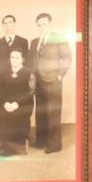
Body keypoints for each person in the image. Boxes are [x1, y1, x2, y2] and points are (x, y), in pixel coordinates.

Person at [30, 12, 71, 154]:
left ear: (50, 23)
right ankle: (41, 141)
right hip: (38, 82)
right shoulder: (35, 41)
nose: (42, 27)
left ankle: (55, 144)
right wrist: (32, 77)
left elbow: (67, 58)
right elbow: (31, 61)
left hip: (53, 81)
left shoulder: (58, 38)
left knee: (52, 112)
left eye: (44, 24)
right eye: (39, 25)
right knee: (40, 112)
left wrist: (60, 75)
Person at [0, 49, 34, 156]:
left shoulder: (29, 72)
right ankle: (3, 145)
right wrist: (5, 103)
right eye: (12, 57)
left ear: (22, 59)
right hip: (6, 104)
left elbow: (30, 92)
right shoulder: (4, 72)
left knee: (19, 115)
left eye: (17, 57)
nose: (14, 60)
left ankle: (17, 142)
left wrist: (16, 104)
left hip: (23, 104)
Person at [0, 14, 29, 78]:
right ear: (3, 26)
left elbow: (26, 61)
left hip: (19, 77)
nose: (8, 26)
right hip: (2, 78)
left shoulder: (23, 41)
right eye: (5, 24)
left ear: (14, 24)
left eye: (10, 23)